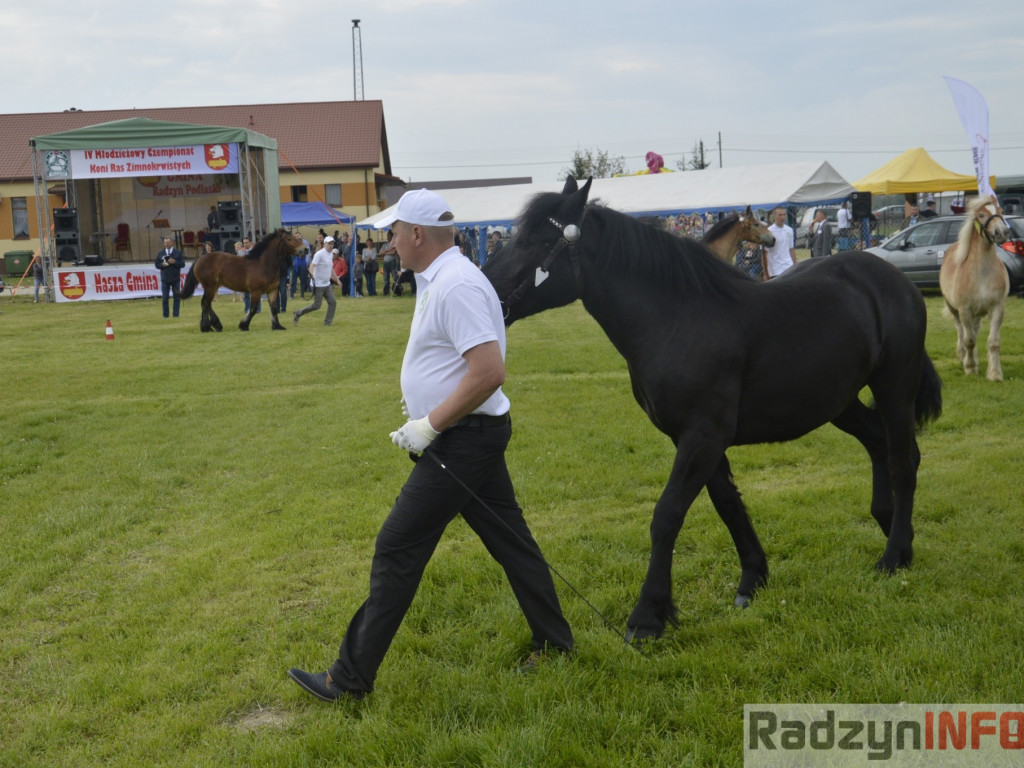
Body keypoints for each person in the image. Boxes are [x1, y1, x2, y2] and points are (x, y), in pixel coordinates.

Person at [287, 189, 573, 703]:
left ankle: (347, 680)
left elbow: (488, 372)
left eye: (396, 233)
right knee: (512, 542)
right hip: (470, 434)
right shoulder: (440, 277)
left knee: (397, 546)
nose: (391, 243)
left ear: (417, 234)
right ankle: (556, 642)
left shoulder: (456, 284)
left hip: (463, 440)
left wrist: (429, 424)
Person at [293, 235, 340, 326]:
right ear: (324, 244)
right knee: (316, 306)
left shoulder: (330, 254)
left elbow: (331, 269)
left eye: (332, 244)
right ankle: (298, 313)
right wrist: (312, 274)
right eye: (329, 244)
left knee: (333, 302)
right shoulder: (319, 254)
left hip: (327, 284)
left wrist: (337, 280)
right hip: (318, 284)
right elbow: (312, 266)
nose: (331, 245)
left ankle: (328, 322)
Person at [762, 207, 797, 279]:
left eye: (784, 215)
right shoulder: (769, 231)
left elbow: (791, 249)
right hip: (775, 269)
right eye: (780, 215)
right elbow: (765, 253)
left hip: (788, 266)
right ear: (774, 216)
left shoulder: (789, 230)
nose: (782, 217)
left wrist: (795, 266)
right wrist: (765, 273)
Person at [155, 236, 184, 317]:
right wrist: (162, 265)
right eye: (165, 242)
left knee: (177, 298)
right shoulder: (161, 253)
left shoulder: (178, 253)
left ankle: (176, 315)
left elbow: (182, 264)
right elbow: (157, 264)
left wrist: (175, 262)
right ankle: (165, 315)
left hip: (175, 278)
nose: (166, 244)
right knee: (165, 298)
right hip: (165, 278)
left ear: (172, 243)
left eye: (168, 242)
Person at [379, 231, 399, 295]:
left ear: (392, 237)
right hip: (385, 264)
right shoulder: (384, 245)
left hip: (393, 263)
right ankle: (386, 292)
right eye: (387, 236)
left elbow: (393, 252)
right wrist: (388, 251)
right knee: (385, 278)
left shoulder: (394, 244)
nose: (388, 238)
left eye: (389, 236)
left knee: (395, 277)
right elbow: (380, 253)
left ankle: (397, 290)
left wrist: (384, 253)